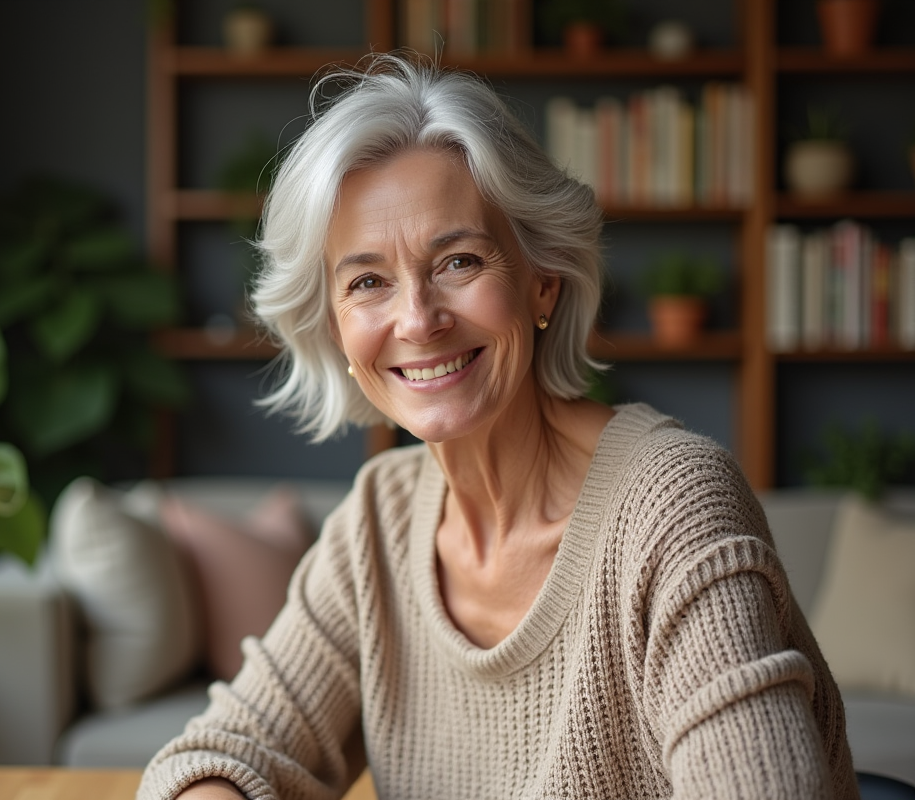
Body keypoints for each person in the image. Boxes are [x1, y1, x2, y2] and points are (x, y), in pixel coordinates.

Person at [138, 54, 858, 800]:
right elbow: (224, 751)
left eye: (458, 261)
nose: (418, 318)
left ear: (541, 282)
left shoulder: (672, 506)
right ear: (335, 330)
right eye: (368, 282)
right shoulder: (379, 522)